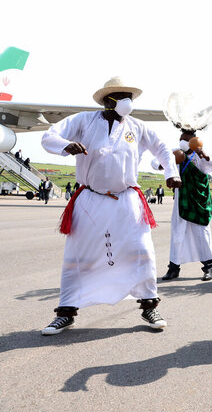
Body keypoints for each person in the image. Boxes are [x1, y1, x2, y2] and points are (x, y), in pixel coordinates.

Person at [39, 76, 180, 335]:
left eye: (130, 97)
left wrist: (172, 172)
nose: (127, 101)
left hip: (127, 200)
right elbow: (50, 136)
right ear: (107, 100)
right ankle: (66, 312)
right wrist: (65, 145)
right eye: (121, 96)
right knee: (77, 257)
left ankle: (149, 305)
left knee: (141, 252)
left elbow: (162, 149)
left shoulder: (137, 126)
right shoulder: (83, 120)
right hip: (90, 200)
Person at [161, 130, 212, 281]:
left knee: (201, 234)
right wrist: (168, 162)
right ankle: (173, 268)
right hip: (181, 202)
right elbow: (156, 163)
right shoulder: (175, 153)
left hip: (199, 201)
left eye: (187, 140)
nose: (183, 142)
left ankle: (208, 267)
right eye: (181, 139)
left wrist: (205, 155)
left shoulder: (200, 157)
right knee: (177, 234)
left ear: (194, 142)